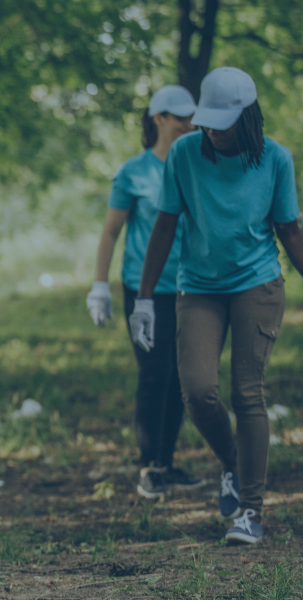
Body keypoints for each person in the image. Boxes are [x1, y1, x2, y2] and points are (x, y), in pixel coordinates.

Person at [131, 67, 303, 545]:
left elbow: (290, 231)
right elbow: (165, 225)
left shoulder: (276, 160)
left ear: (247, 119)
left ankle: (251, 509)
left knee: (249, 394)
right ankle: (231, 462)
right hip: (200, 287)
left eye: (221, 122)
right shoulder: (185, 154)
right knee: (199, 390)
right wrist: (144, 298)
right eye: (205, 120)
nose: (210, 130)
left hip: (257, 284)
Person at [86, 85, 205, 498]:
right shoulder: (133, 172)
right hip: (145, 290)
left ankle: (167, 463)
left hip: (191, 287)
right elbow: (110, 232)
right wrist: (99, 285)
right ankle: (147, 466)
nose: (190, 123)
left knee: (182, 379)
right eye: (181, 117)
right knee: (155, 374)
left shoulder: (194, 163)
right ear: (159, 119)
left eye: (193, 116)